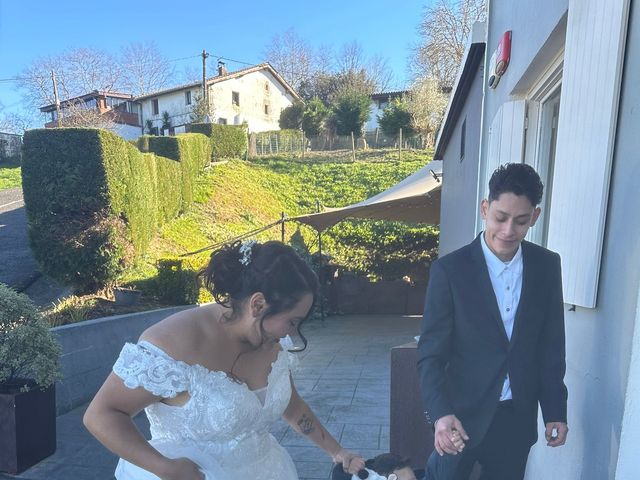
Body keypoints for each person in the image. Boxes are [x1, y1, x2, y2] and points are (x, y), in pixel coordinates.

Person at [84, 240, 365, 480]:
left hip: (268, 470)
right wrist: (165, 468)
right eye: (292, 321)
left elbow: (291, 406)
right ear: (258, 305)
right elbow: (101, 414)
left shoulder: (272, 340)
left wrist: (336, 451)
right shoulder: (172, 343)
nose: (293, 332)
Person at [417, 164, 568, 480]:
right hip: (459, 418)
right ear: (485, 209)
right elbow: (430, 355)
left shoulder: (546, 266)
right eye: (501, 217)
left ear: (535, 217)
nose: (509, 230)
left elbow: (551, 345)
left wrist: (555, 410)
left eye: (521, 221)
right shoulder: (450, 271)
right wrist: (441, 414)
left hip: (516, 419)